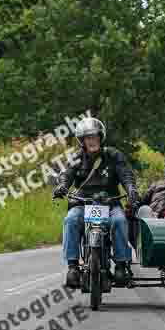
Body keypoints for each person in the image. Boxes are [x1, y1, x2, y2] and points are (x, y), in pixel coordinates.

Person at [52, 117, 140, 289]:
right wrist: (62, 186)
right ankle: (72, 267)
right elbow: (67, 174)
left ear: (101, 137)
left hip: (110, 202)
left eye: (94, 137)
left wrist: (131, 189)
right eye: (88, 138)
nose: (92, 141)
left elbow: (126, 174)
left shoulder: (114, 156)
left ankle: (122, 265)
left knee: (120, 221)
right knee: (70, 220)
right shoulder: (76, 158)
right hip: (82, 203)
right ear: (82, 141)